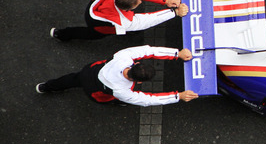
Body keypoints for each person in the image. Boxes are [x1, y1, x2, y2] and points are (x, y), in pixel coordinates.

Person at [35, 45, 200, 106]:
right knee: (113, 102)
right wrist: (177, 96)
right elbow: (148, 100)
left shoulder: (123, 56)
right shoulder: (121, 92)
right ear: (138, 82)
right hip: (96, 91)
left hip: (89, 71)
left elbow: (148, 50)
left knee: (70, 79)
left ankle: (46, 87)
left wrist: (177, 53)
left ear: (135, 64)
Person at [50, 0, 187, 41]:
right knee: (92, 34)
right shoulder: (124, 21)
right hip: (100, 25)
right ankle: (63, 35)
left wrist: (165, 0)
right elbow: (146, 20)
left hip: (94, 8)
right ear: (128, 9)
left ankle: (61, 33)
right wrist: (173, 12)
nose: (140, 0)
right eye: (137, 3)